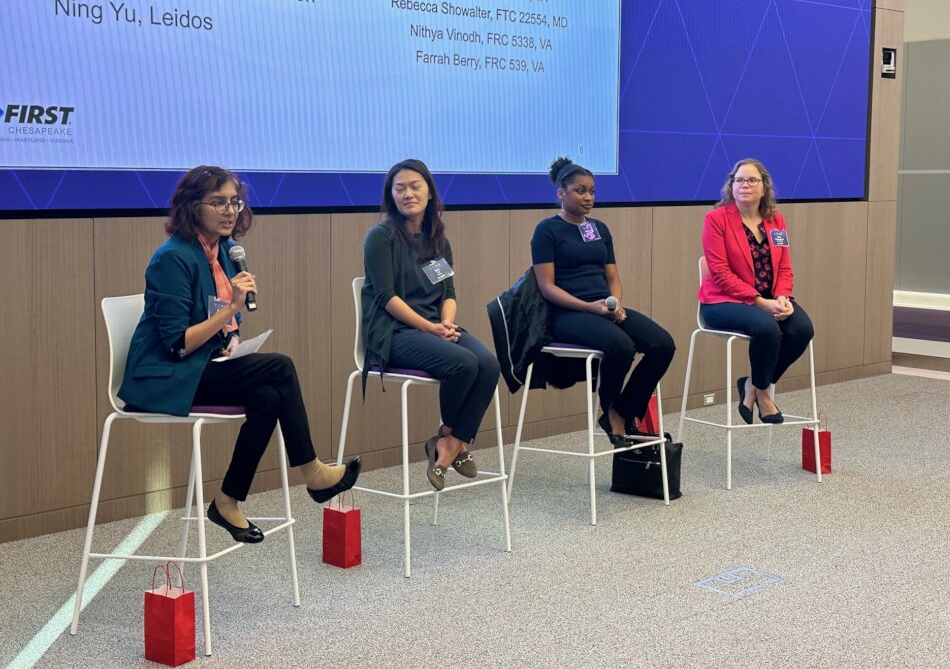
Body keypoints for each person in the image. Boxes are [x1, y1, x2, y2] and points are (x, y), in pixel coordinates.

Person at [119, 166, 361, 544]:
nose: (230, 210)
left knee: (267, 397)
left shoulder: (223, 251)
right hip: (165, 376)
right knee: (280, 367)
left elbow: (217, 319)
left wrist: (231, 340)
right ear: (192, 206)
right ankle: (312, 471)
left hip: (202, 366)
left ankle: (227, 500)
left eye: (234, 201)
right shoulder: (171, 259)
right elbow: (178, 344)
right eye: (218, 202)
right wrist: (230, 310)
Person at [361, 159, 500, 491]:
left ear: (430, 192)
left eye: (415, 186)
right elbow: (385, 297)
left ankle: (448, 442)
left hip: (435, 328)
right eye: (400, 188)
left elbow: (449, 293)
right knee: (464, 363)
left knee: (489, 364)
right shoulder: (380, 237)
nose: (408, 193)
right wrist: (430, 327)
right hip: (393, 332)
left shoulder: (437, 239)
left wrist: (446, 323)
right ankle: (453, 442)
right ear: (391, 196)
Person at [530, 157, 676, 447]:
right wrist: (588, 307)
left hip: (604, 308)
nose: (589, 197)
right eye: (580, 191)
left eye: (592, 191)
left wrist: (615, 304)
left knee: (663, 344)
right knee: (620, 346)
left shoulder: (598, 229)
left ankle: (625, 409)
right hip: (567, 313)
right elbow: (546, 287)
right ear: (561, 193)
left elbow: (613, 277)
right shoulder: (547, 230)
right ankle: (609, 412)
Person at [698, 159, 814, 424]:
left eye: (752, 180)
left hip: (769, 299)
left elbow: (784, 266)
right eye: (739, 180)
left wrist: (783, 296)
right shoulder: (716, 219)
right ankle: (763, 394)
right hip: (723, 301)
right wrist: (761, 302)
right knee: (767, 329)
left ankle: (752, 384)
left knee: (802, 329)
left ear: (764, 187)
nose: (745, 185)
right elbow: (721, 273)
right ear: (731, 185)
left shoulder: (776, 220)